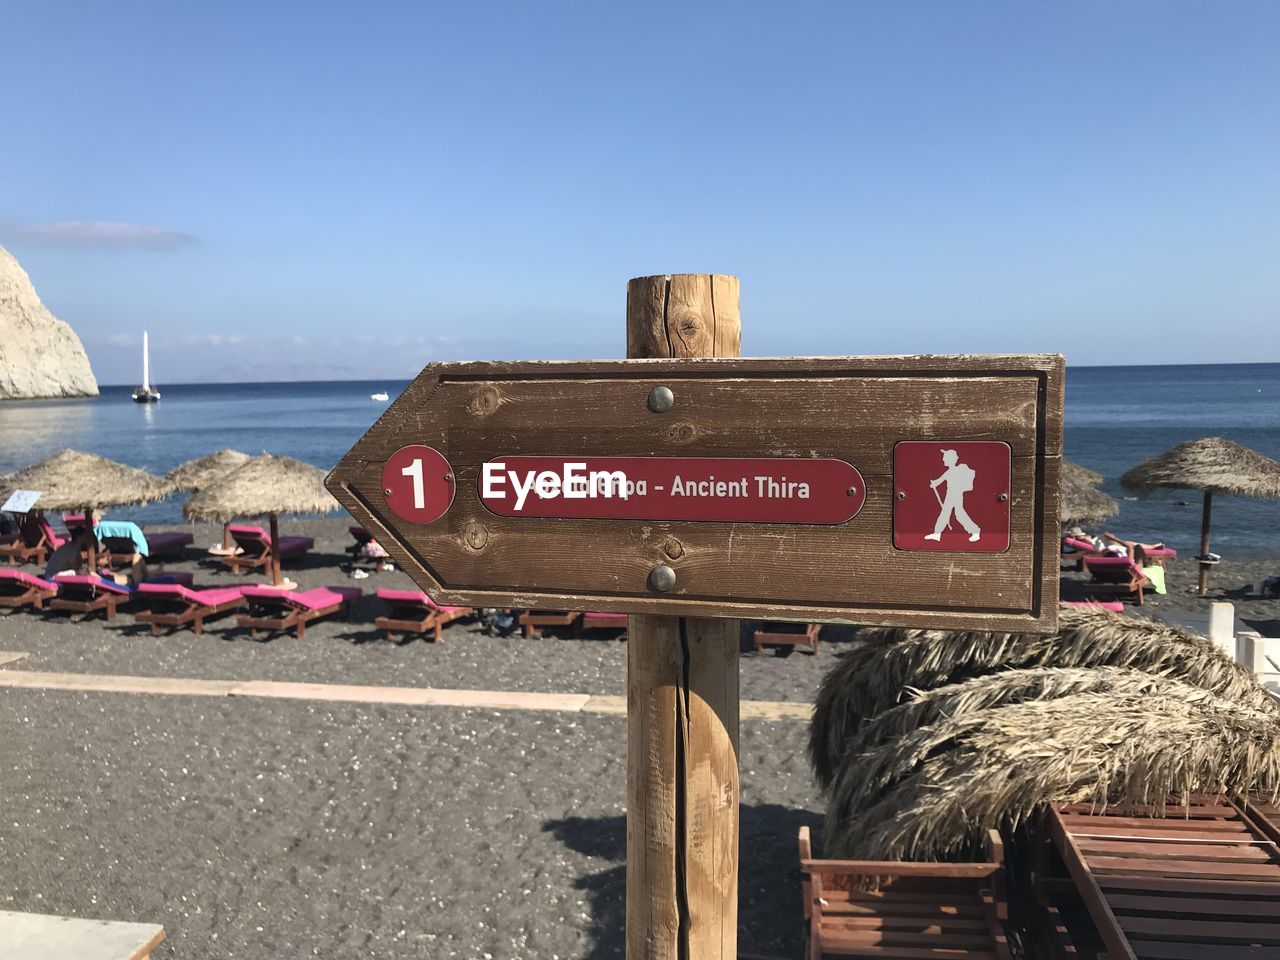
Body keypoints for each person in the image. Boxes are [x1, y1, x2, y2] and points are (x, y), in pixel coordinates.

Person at [926, 449, 981, 543]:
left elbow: (941, 481)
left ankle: (975, 531)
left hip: (956, 495)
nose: (943, 460)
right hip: (950, 495)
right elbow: (939, 481)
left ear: (951, 459)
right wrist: (934, 484)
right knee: (945, 514)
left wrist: (934, 483)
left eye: (945, 458)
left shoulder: (960, 469)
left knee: (958, 514)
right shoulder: (948, 472)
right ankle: (937, 534)